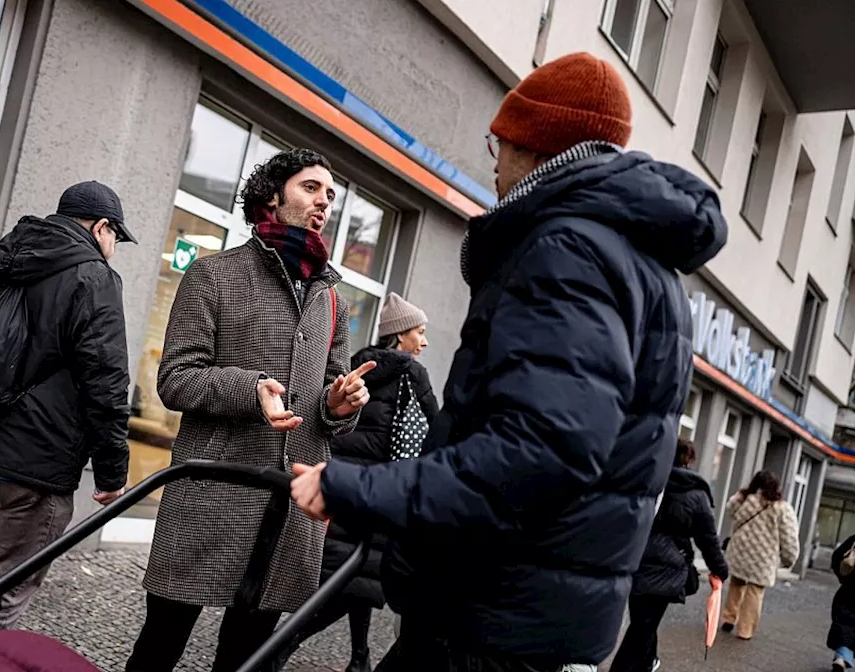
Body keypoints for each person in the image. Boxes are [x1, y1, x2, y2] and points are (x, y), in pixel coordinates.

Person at [288, 51, 728, 672]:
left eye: (498, 144)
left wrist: (353, 487)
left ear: (531, 144)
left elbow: (541, 452)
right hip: (527, 613)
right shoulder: (647, 267)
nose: (494, 166)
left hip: (491, 618)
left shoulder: (567, 248)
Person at [126, 148, 376, 672]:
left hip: (287, 507)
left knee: (247, 656)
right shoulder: (214, 274)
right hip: (213, 494)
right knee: (160, 643)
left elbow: (332, 387)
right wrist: (251, 389)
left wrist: (338, 404)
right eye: (311, 188)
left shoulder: (331, 296)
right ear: (271, 196)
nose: (323, 202)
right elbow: (174, 379)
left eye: (330, 195)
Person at [0, 181, 138, 631]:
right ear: (101, 227)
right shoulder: (94, 277)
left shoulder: (4, 258)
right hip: (36, 462)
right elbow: (107, 379)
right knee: (9, 585)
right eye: (116, 237)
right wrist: (112, 471)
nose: (114, 247)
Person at [272, 293, 439, 672]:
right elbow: (434, 430)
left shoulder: (358, 367)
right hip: (379, 489)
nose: (424, 341)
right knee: (356, 580)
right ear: (399, 337)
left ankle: (359, 658)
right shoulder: (412, 374)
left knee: (356, 576)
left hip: (345, 483)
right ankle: (279, 648)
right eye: (419, 332)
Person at [611, 439, 729, 672]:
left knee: (643, 623)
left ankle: (648, 663)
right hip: (665, 567)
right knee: (641, 630)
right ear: (689, 459)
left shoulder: (648, 481)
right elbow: (707, 537)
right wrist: (720, 569)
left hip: (635, 560)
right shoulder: (695, 494)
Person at [720, 470, 800, 641]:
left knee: (736, 583)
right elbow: (789, 537)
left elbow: (730, 510)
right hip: (764, 558)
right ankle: (745, 630)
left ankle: (728, 618)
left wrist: (744, 493)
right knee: (755, 592)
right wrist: (789, 559)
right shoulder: (781, 508)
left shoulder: (743, 499)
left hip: (740, 551)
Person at [830, 533, 855, 671]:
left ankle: (841, 657)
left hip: (849, 591)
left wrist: (843, 577)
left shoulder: (854, 539)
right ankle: (843, 657)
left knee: (844, 623)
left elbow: (837, 557)